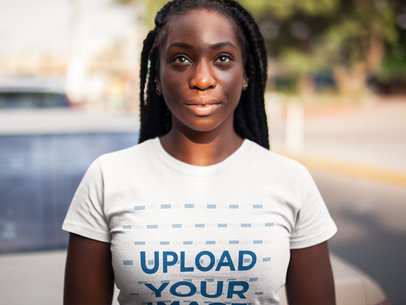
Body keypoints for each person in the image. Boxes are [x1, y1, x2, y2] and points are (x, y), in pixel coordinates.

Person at [63, 0, 337, 304]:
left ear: (245, 75)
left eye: (222, 58)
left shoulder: (291, 180)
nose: (202, 79)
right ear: (157, 78)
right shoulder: (108, 177)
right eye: (181, 59)